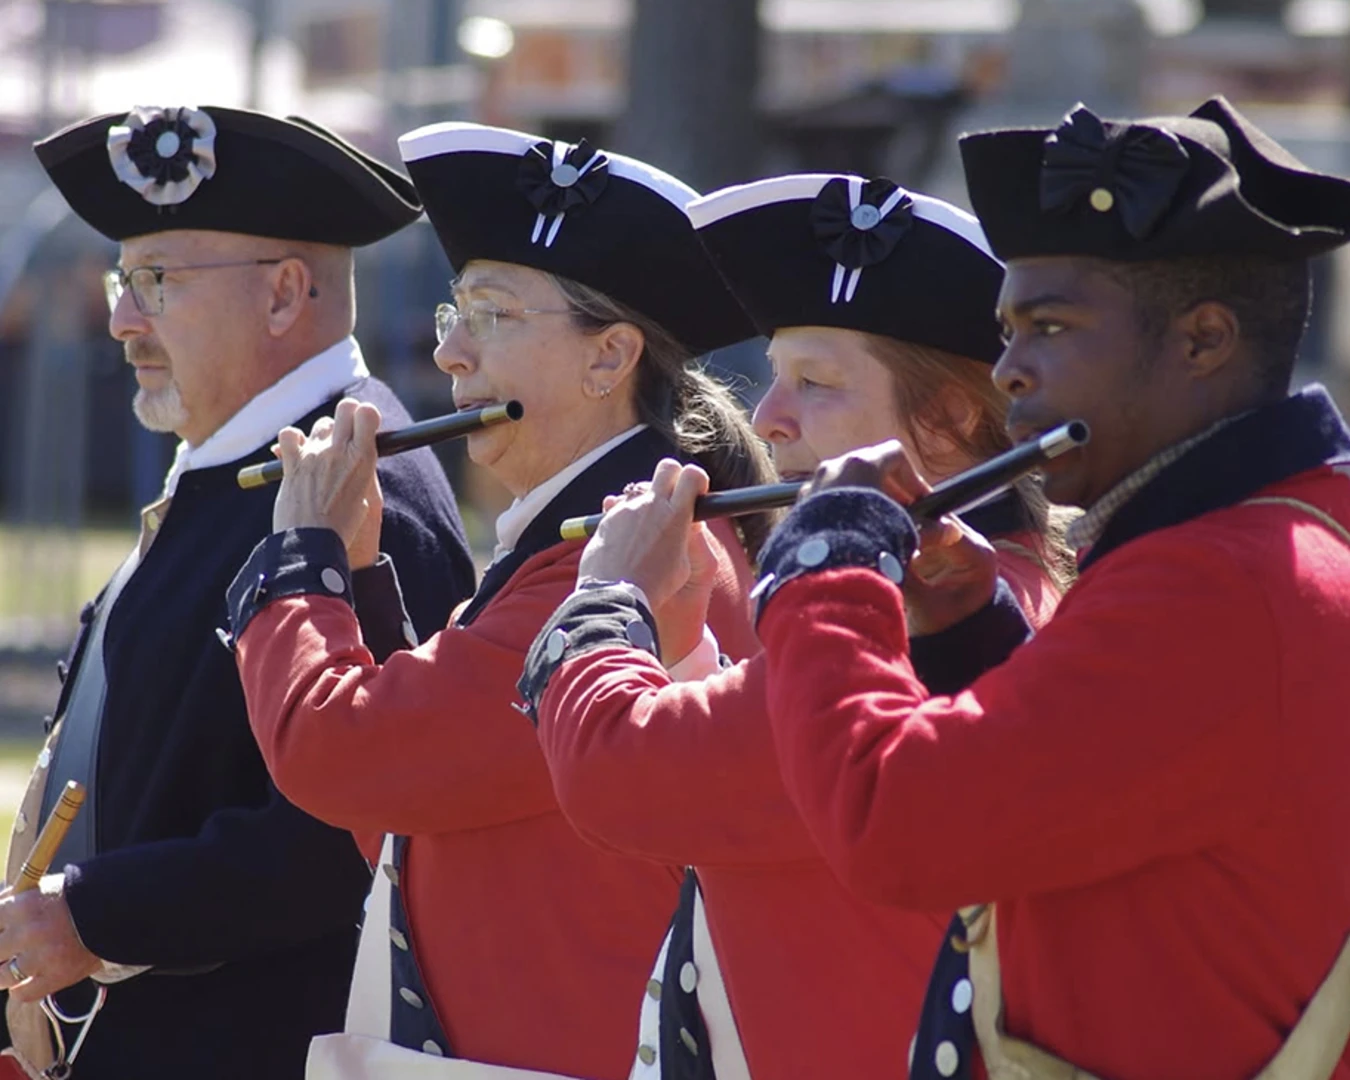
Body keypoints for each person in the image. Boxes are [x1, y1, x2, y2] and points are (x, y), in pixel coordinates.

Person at [742, 98, 1350, 1079]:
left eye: (1049, 327)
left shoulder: (1212, 583)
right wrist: (973, 643)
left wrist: (827, 567)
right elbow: (1112, 795)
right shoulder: (1269, 539)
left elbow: (894, 828)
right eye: (1005, 331)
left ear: (1202, 340)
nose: (1010, 372)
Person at [221, 122, 775, 1080]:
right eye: (455, 313)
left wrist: (298, 559)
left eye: (494, 316)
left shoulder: (635, 564)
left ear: (610, 361)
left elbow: (341, 756)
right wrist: (353, 575)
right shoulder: (591, 543)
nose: (450, 356)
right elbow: (418, 802)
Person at [516, 173, 1071, 1079]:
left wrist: (604, 603)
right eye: (777, 378)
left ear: (950, 419)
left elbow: (623, 777)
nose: (768, 420)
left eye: (813, 383)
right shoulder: (1007, 584)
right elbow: (749, 789)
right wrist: (683, 636)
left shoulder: (919, 615)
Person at [0, 106, 476, 1080]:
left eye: (159, 282)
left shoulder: (359, 477)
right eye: (122, 280)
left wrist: (92, 913)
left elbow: (346, 835)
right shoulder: (244, 463)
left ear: (285, 294)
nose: (123, 317)